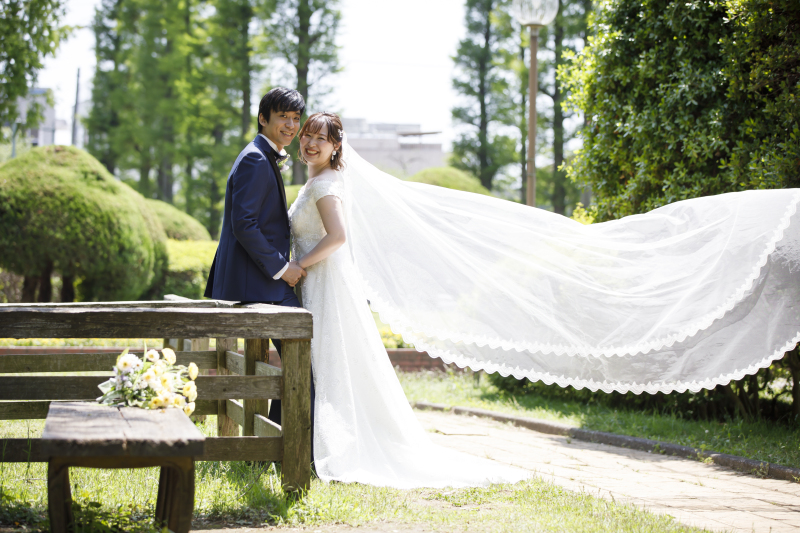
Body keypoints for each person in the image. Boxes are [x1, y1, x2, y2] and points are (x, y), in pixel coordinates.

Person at [290, 110, 800, 486]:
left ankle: (337, 446)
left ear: (337, 147)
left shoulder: (327, 185)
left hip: (325, 282)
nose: (310, 143)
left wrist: (297, 265)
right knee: (335, 363)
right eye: (307, 135)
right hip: (325, 285)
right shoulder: (319, 180)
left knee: (335, 361)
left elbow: (335, 241)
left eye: (320, 137)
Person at [204, 87, 310, 429]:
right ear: (263, 118)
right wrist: (283, 269)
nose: (291, 126)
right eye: (283, 117)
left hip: (258, 279)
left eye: (296, 119)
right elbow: (244, 224)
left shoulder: (261, 155)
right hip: (260, 283)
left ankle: (275, 444)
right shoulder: (254, 158)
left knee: (300, 361)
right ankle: (288, 447)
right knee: (304, 359)